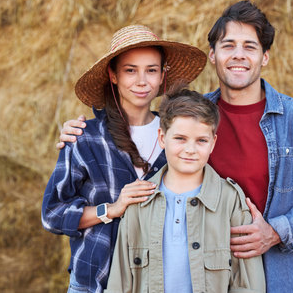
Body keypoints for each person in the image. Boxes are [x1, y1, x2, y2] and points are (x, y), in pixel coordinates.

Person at [58, 0, 293, 293]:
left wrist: (275, 232)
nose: (238, 55)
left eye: (249, 46)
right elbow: (143, 127)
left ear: (265, 57)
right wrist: (86, 132)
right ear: (213, 55)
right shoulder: (192, 117)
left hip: (279, 275)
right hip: (201, 275)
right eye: (228, 45)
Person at [41, 24, 207, 293]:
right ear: (113, 75)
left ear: (163, 75)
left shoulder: (180, 138)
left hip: (161, 283)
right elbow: (52, 215)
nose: (142, 81)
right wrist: (111, 209)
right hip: (95, 283)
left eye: (151, 70)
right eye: (130, 70)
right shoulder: (86, 138)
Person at [105, 87, 265, 293]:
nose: (190, 149)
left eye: (201, 141)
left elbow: (248, 283)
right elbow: (120, 282)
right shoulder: (139, 200)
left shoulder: (230, 201)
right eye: (180, 138)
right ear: (162, 138)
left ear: (213, 143)